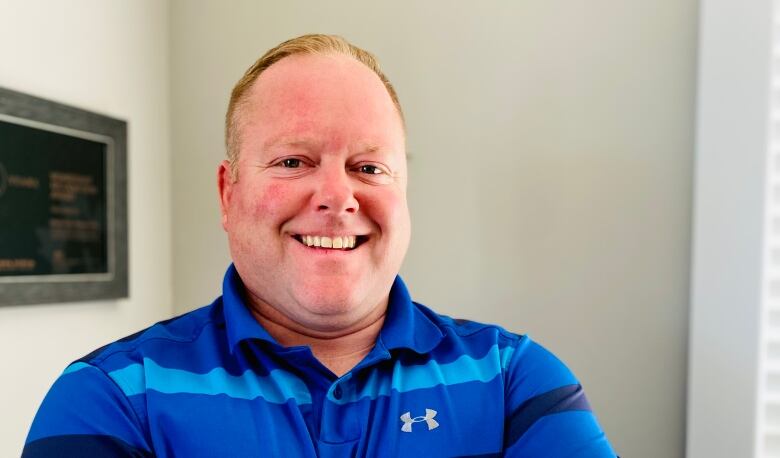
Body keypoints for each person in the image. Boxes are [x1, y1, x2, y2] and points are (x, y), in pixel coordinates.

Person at [23, 34, 616, 457]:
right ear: (229, 193)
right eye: (292, 161)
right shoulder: (113, 399)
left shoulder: (517, 381)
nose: (337, 195)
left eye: (368, 167)